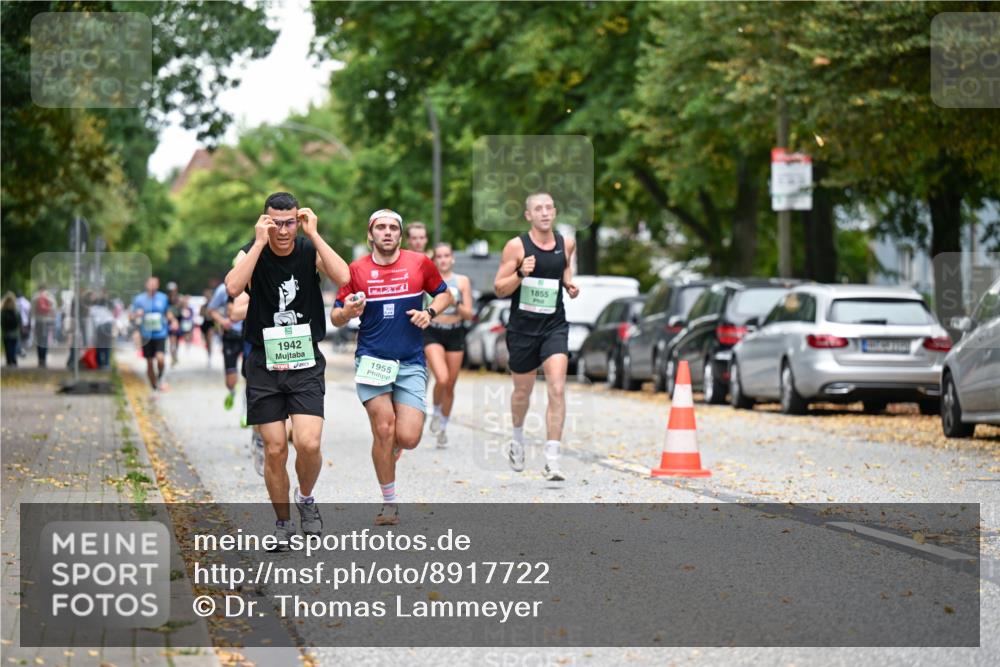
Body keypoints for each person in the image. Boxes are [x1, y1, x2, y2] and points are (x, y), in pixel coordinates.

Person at [225, 192, 350, 545]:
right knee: (276, 448)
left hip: (305, 360)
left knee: (308, 444)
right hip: (265, 363)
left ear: (299, 220)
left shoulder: (310, 251)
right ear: (264, 221)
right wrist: (258, 243)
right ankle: (283, 523)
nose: (282, 230)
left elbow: (345, 278)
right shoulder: (251, 251)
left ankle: (306, 500)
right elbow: (233, 287)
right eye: (275, 223)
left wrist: (315, 235)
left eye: (289, 223)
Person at [331, 209, 452, 526]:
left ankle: (396, 444)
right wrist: (348, 312)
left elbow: (445, 294)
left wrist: (431, 312)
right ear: (370, 234)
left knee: (408, 437)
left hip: (410, 361)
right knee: (383, 428)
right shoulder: (355, 271)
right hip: (372, 360)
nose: (387, 232)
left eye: (393, 228)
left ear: (400, 235)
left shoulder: (419, 263)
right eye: (380, 227)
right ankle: (389, 503)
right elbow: (335, 315)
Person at [493, 192, 580, 482]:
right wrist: (520, 272)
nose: (544, 213)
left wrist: (568, 283)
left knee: (557, 388)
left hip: (554, 326)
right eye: (538, 209)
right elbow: (499, 288)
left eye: (549, 208)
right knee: (523, 392)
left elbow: (564, 266)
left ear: (554, 212)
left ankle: (552, 459)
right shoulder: (516, 246)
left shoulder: (566, 242)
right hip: (522, 329)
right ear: (528, 215)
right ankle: (517, 438)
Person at [423, 243, 474, 447]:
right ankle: (435, 411)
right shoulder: (428, 280)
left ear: (452, 258)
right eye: (439, 256)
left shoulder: (462, 281)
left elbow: (469, 314)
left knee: (451, 384)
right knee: (442, 378)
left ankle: (442, 427)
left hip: (455, 333)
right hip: (433, 332)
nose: (443, 259)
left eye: (446, 256)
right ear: (434, 260)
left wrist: (453, 302)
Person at [131, 276, 174, 393]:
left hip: (160, 334)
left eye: (155, 284)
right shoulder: (139, 299)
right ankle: (153, 387)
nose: (152, 286)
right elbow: (130, 316)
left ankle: (160, 377)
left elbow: (167, 312)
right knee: (149, 363)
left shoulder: (163, 298)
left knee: (160, 359)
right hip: (146, 335)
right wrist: (136, 314)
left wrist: (173, 321)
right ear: (146, 285)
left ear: (158, 285)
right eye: (150, 283)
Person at [31, 285, 55, 368]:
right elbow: (53, 308)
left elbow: (32, 311)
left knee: (39, 340)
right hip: (47, 321)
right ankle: (44, 359)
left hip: (38, 321)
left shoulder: (35, 297)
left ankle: (40, 359)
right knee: (45, 341)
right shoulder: (50, 297)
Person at [2, 293, 20, 367]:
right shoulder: (16, 310)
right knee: (13, 347)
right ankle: (13, 360)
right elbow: (19, 320)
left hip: (6, 332)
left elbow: (2, 322)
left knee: (7, 347)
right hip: (14, 332)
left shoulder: (3, 311)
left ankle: (9, 361)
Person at [166, 282, 182, 366]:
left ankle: (175, 355)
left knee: (177, 341)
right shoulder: (166, 300)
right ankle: (173, 357)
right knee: (172, 340)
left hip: (178, 322)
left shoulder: (179, 299)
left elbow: (182, 311)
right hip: (170, 323)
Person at [199, 287, 216, 367]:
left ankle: (210, 357)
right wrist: (205, 312)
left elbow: (216, 315)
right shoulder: (204, 306)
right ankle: (208, 355)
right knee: (206, 342)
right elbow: (200, 314)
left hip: (211, 325)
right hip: (205, 324)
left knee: (209, 340)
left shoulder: (214, 305)